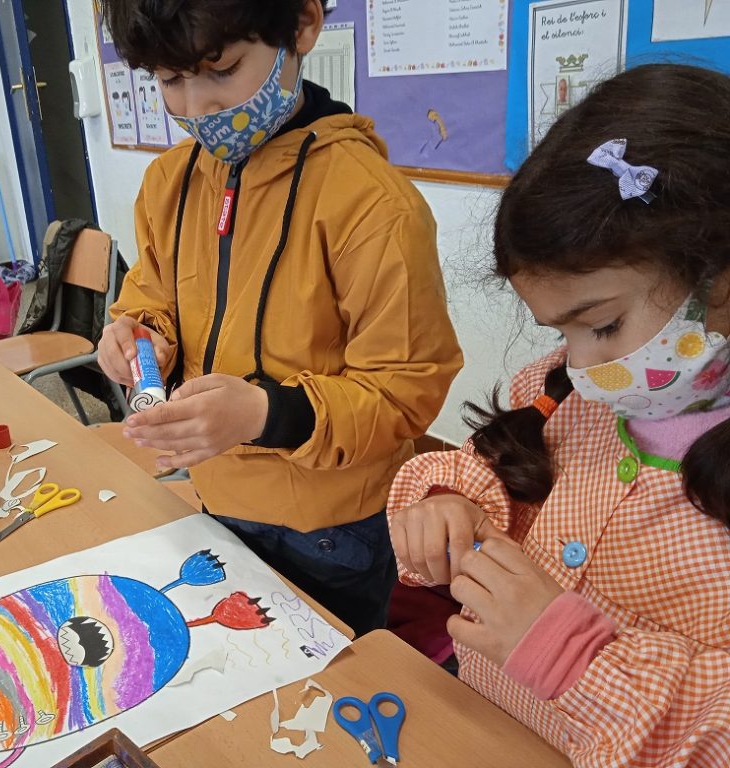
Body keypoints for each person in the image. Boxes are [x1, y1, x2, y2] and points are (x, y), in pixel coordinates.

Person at [387, 64, 730, 766]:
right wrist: (449, 501)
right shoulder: (572, 394)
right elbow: (492, 471)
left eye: (601, 325)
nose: (579, 364)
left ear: (719, 276)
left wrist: (569, 654)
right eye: (561, 332)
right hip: (485, 730)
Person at [96, 0, 462, 636]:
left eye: (222, 70)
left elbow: (405, 391)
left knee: (334, 677)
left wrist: (264, 414)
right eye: (170, 79)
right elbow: (152, 296)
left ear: (303, 25)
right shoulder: (170, 182)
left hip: (332, 528)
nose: (198, 106)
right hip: (215, 493)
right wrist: (140, 337)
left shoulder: (373, 205)